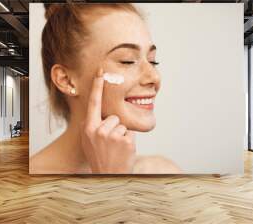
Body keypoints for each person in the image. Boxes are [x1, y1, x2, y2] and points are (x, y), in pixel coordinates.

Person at [30, 3, 181, 174]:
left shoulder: (163, 172)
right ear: (66, 80)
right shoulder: (23, 187)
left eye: (152, 61)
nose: (155, 77)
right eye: (127, 61)